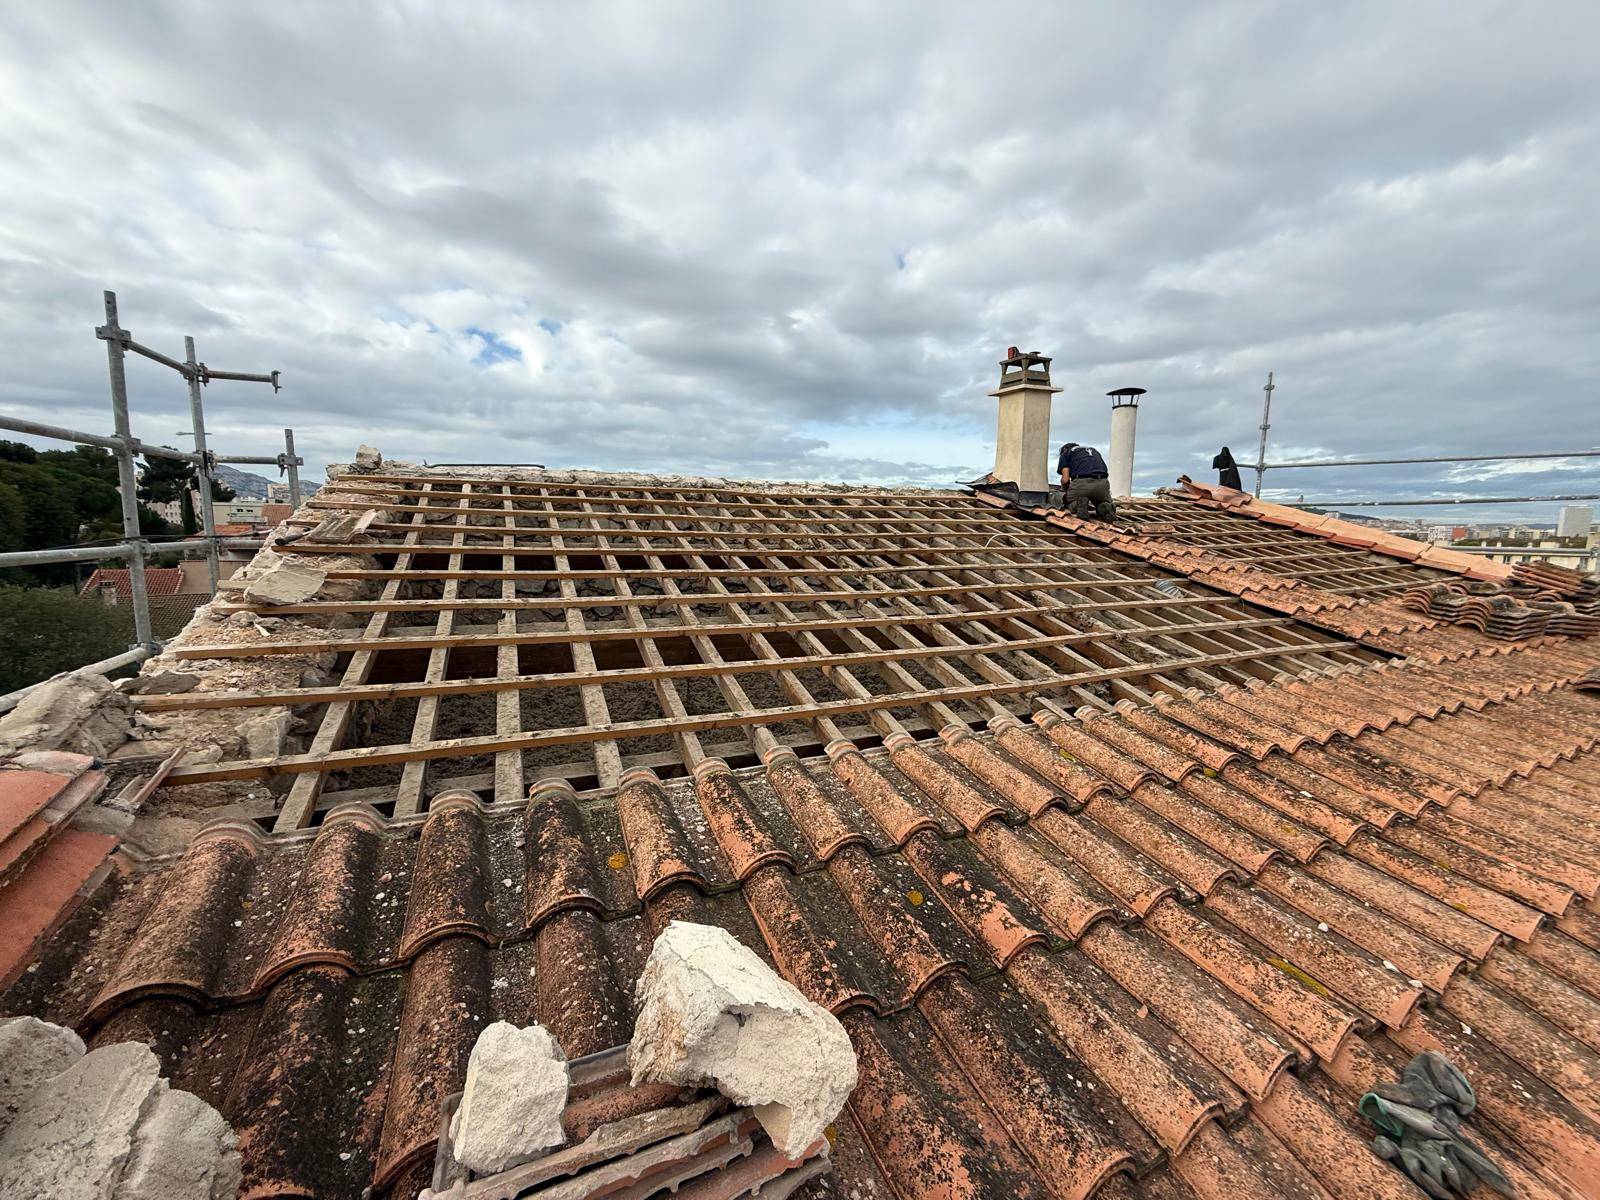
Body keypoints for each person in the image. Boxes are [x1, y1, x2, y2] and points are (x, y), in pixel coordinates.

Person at [1057, 442, 1117, 521]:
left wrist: (1065, 493)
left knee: (1067, 501)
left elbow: (1065, 480)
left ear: (1064, 449)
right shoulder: (1094, 451)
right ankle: (1105, 508)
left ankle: (1078, 506)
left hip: (1081, 483)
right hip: (1102, 483)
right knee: (1101, 501)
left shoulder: (1066, 453)